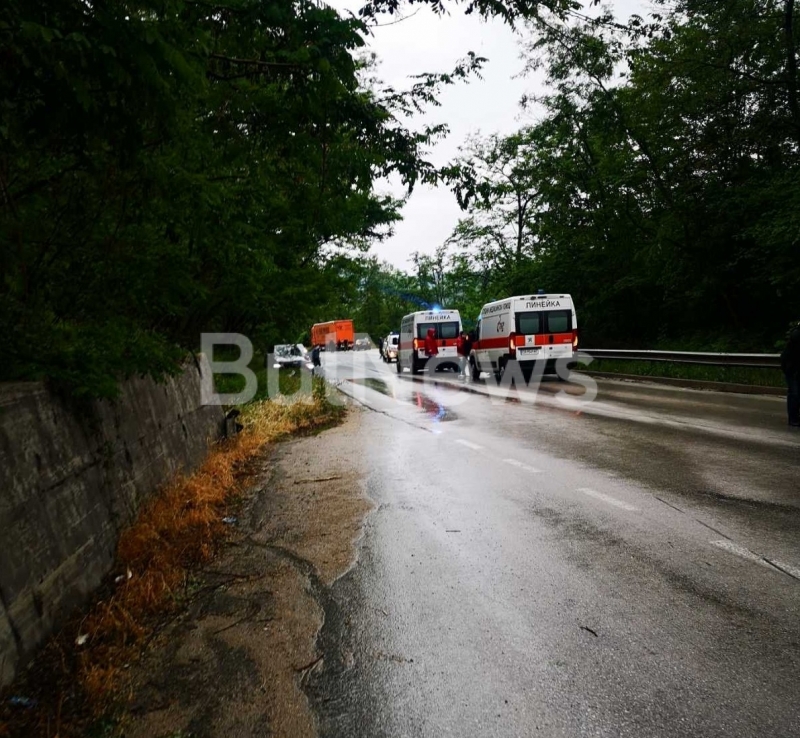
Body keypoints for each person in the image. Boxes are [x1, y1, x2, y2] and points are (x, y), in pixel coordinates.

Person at [781, 325, 800, 427]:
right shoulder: (796, 334)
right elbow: (794, 357)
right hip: (792, 369)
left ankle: (795, 417)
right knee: (794, 394)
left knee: (796, 393)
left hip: (794, 368)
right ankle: (793, 419)